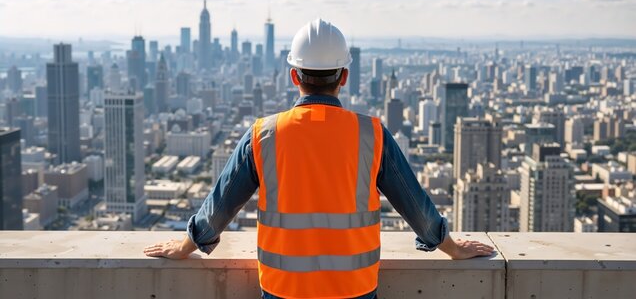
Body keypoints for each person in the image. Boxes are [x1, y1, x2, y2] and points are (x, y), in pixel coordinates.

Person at [144, 19, 495, 299]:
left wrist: (185, 244)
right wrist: (451, 247)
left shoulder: (263, 135)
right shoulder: (371, 134)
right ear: (344, 76)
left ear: (294, 75)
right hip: (354, 289)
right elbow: (415, 205)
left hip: (284, 290)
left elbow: (220, 205)